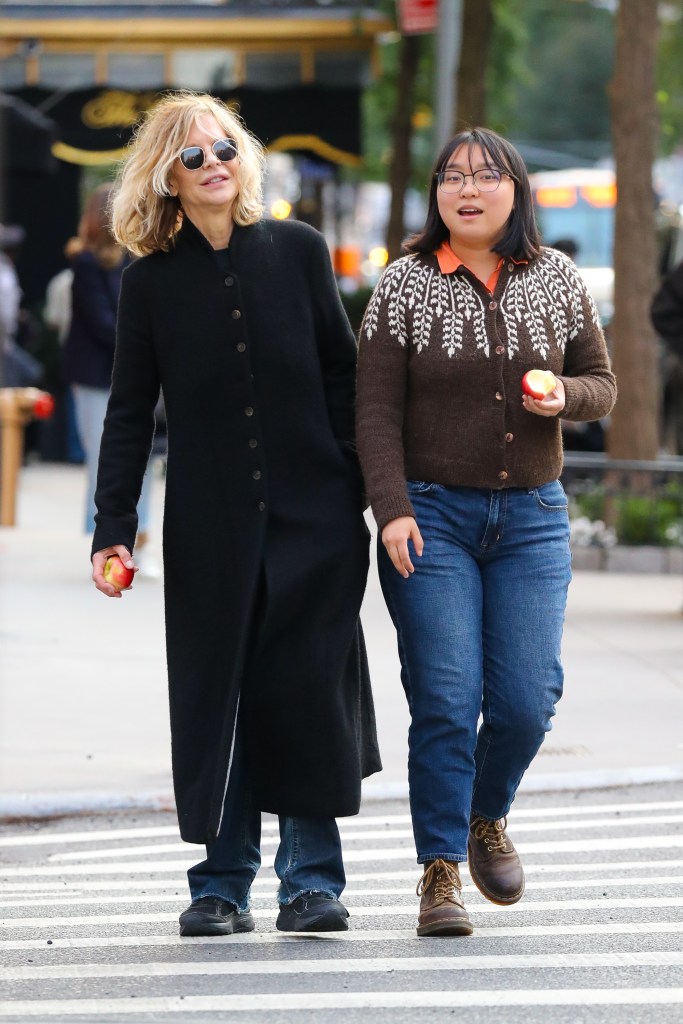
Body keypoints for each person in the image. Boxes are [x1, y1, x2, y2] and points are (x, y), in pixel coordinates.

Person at [91, 91, 381, 936]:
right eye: (192, 157)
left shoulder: (298, 251)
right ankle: (221, 882)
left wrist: (355, 490)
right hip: (211, 530)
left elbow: (343, 376)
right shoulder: (149, 285)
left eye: (223, 149)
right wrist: (115, 527)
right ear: (166, 179)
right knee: (221, 695)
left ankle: (312, 882)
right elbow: (126, 413)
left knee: (304, 691)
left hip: (316, 521)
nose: (214, 164)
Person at [356, 127, 617, 937]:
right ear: (435, 196)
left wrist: (561, 399)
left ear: (515, 190)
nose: (466, 189)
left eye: (485, 175)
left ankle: (484, 815)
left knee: (525, 701)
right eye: (451, 177)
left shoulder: (557, 278)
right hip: (429, 517)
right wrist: (390, 506)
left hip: (532, 520)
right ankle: (438, 871)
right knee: (444, 696)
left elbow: (602, 384)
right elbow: (372, 410)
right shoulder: (399, 286)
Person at [63, 185, 156, 565]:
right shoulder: (86, 263)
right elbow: (102, 322)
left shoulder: (138, 261)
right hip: (97, 376)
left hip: (129, 373)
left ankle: (139, 538)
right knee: (105, 459)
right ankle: (108, 541)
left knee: (145, 457)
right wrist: (144, 346)